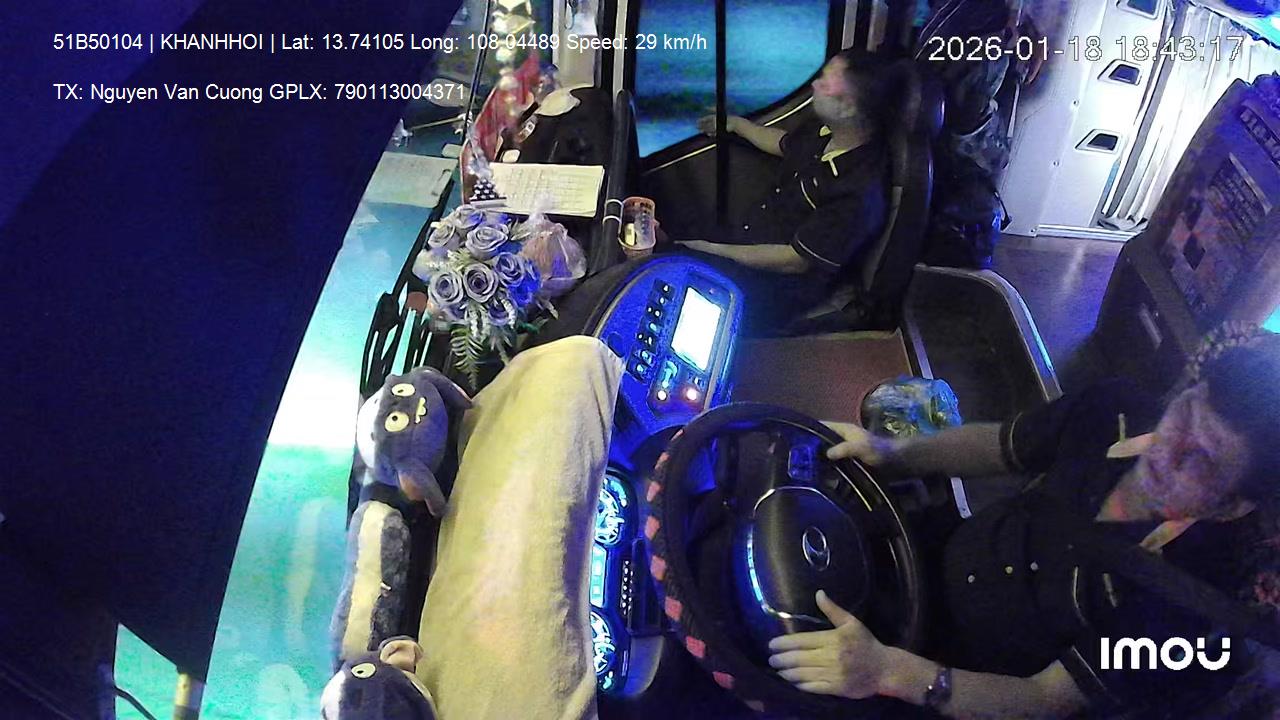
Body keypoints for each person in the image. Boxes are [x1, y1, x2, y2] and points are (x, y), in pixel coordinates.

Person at [769, 327, 1280, 718]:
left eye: (1202, 460)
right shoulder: (1113, 409)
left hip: (951, 685)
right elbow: (999, 447)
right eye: (1186, 413)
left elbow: (1043, 700)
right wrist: (892, 452)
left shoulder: (1192, 619)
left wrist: (887, 672)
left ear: (1232, 506)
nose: (1168, 449)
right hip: (920, 559)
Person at [676, 49, 897, 333]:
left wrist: (715, 251)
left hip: (777, 284)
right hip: (751, 238)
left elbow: (793, 262)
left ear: (848, 108)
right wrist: (737, 124)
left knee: (683, 282)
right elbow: (783, 143)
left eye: (826, 82)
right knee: (677, 237)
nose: (815, 84)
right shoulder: (826, 133)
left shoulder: (858, 193)